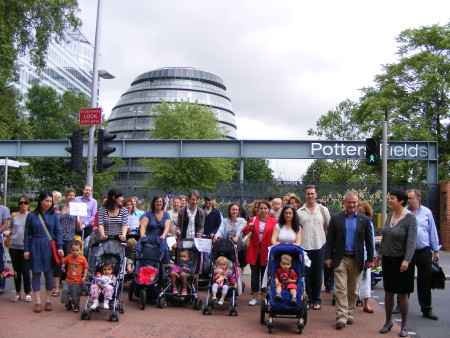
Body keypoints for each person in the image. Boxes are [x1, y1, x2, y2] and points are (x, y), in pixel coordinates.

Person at [325, 191, 374, 330]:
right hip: (340, 258)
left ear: (357, 203)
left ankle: (350, 313)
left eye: (354, 202)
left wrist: (370, 259)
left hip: (356, 258)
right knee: (340, 288)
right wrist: (328, 257)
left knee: (352, 290)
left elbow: (369, 241)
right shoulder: (336, 218)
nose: (352, 205)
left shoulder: (364, 220)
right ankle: (341, 316)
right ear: (344, 203)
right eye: (349, 202)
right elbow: (330, 240)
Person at [375, 189, 417, 337]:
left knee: (402, 294)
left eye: (392, 198)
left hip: (402, 261)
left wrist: (407, 260)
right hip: (388, 259)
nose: (389, 200)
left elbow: (411, 242)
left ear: (400, 201)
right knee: (388, 292)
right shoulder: (390, 216)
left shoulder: (410, 218)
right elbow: (384, 237)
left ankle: (404, 326)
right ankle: (388, 322)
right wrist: (378, 254)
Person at [24, 191, 64, 313]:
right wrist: (26, 249)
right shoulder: (31, 216)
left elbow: (58, 232)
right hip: (35, 245)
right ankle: (37, 301)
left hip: (49, 246)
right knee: (35, 273)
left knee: (49, 273)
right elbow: (26, 234)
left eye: (50, 201)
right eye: (46, 201)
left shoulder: (54, 215)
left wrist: (60, 247)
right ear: (40, 201)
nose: (48, 203)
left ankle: (48, 300)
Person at [406, 189, 441, 320]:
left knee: (424, 281)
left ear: (418, 199)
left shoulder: (427, 212)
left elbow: (432, 231)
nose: (408, 200)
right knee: (405, 279)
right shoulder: (404, 212)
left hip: (424, 251)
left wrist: (436, 250)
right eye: (407, 198)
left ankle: (426, 309)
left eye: (410, 198)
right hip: (407, 252)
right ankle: (400, 305)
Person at [297, 185, 330, 310]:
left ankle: (317, 299)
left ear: (316, 195)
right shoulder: (299, 212)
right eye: (308, 194)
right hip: (304, 246)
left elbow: (328, 225)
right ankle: (308, 299)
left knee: (317, 275)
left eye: (312, 194)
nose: (310, 196)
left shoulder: (323, 210)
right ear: (305, 195)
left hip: (319, 245)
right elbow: (297, 228)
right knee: (306, 275)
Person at [242, 200, 277, 306]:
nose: (263, 210)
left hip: (266, 251)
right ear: (257, 210)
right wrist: (249, 227)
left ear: (269, 210)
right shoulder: (252, 219)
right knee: (254, 275)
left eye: (265, 208)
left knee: (266, 275)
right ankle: (254, 297)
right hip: (254, 251)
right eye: (261, 208)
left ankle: (264, 297)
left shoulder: (274, 222)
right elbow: (244, 232)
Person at [4, 196, 32, 302]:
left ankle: (28, 292)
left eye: (25, 203)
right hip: (14, 245)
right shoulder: (14, 215)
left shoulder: (31, 216)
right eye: (21, 203)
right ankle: (17, 292)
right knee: (16, 270)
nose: (23, 205)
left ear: (28, 204)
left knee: (25, 270)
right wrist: (9, 232)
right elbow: (11, 227)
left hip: (25, 246)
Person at [356, 200, 376, 313]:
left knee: (365, 279)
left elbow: (371, 241)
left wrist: (371, 258)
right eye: (359, 212)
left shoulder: (368, 223)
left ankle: (366, 304)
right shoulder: (351, 221)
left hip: (364, 255)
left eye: (363, 212)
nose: (361, 214)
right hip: (353, 254)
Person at [61, 240, 88, 312]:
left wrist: (84, 277)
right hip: (68, 279)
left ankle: (76, 306)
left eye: (77, 250)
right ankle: (67, 303)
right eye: (73, 250)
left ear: (80, 250)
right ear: (70, 250)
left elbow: (85, 268)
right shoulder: (69, 257)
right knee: (65, 291)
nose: (75, 252)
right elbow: (63, 262)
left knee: (75, 295)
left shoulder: (82, 259)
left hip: (77, 281)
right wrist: (62, 259)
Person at [0, 191, 11, 294]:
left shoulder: (4, 209)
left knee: (1, 263)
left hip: (0, 240)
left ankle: (1, 285)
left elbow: (5, 224)